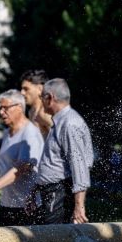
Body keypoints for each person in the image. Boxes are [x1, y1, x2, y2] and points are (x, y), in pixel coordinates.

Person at [0, 89, 44, 226]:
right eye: (0, 108)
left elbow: (21, 168)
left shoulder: (29, 134)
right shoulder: (7, 133)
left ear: (19, 107)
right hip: (7, 205)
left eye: (5, 108)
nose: (1, 112)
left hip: (27, 207)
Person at [33, 79, 94, 224]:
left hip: (59, 193)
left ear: (50, 98)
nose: (41, 101)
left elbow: (79, 166)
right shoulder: (60, 122)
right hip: (52, 192)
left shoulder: (69, 123)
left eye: (42, 97)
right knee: (48, 239)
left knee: (53, 240)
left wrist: (79, 206)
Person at [20, 69, 53, 138]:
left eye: (26, 89)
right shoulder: (31, 111)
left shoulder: (45, 113)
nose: (22, 93)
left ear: (40, 89)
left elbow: (61, 140)